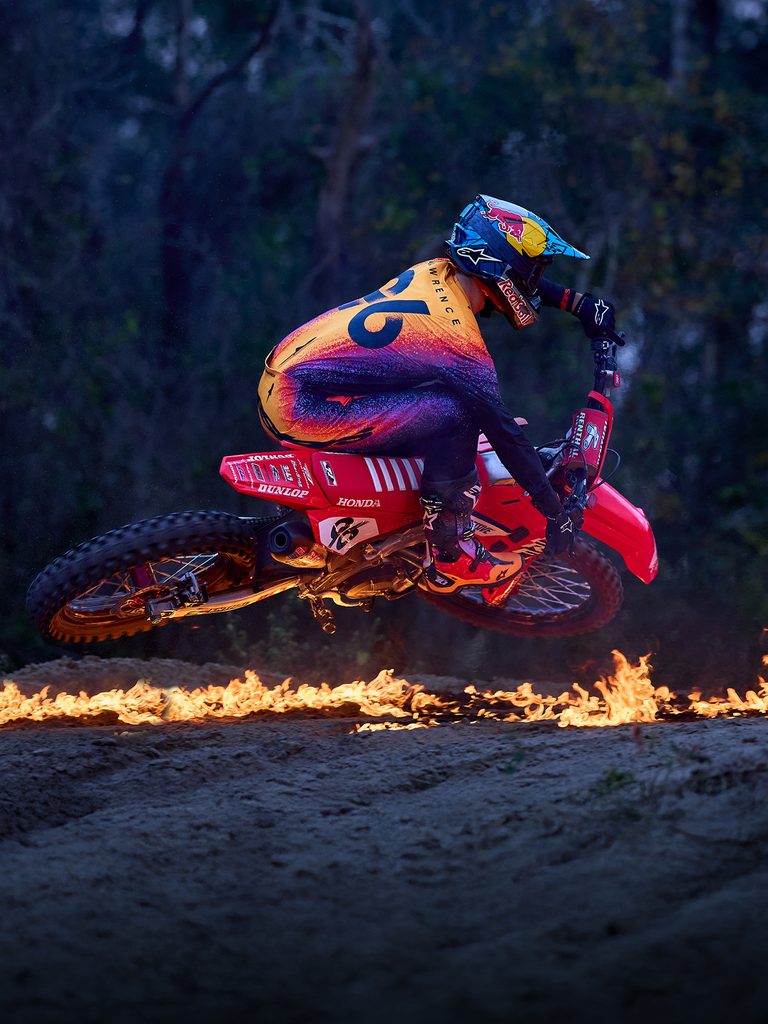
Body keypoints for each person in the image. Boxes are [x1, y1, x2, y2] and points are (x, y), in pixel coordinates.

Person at [257, 194, 623, 592]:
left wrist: (576, 303)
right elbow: (503, 431)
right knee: (459, 415)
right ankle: (450, 547)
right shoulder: (455, 338)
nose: (533, 283)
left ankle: (385, 510)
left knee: (440, 400)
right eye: (531, 272)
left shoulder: (434, 272)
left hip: (287, 377)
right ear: (501, 265)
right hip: (303, 408)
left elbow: (505, 278)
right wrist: (552, 510)